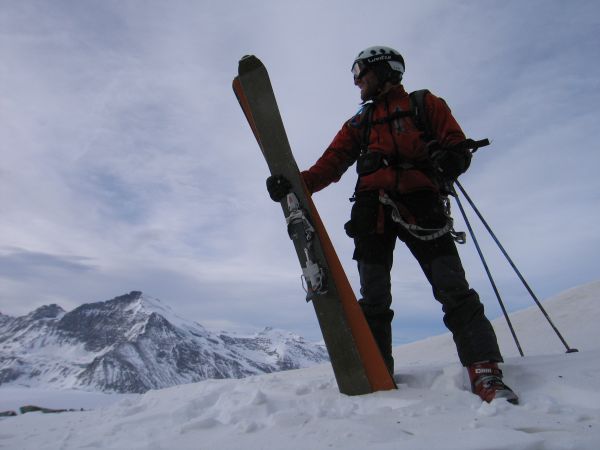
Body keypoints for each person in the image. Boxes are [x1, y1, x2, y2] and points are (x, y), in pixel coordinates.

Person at [266, 46, 518, 404]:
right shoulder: (359, 122)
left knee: (452, 289)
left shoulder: (424, 104)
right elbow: (331, 164)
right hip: (373, 213)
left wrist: (453, 158)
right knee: (374, 297)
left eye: (361, 73)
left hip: (421, 206)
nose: (357, 82)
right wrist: (294, 185)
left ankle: (485, 371)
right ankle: (377, 371)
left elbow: (456, 146)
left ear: (384, 72)